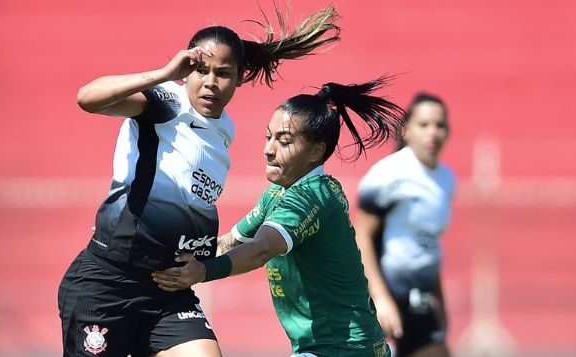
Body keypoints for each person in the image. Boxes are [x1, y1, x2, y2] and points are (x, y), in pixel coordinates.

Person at [59, 6, 341, 357]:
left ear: (240, 78)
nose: (210, 82)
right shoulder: (164, 102)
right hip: (108, 282)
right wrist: (163, 74)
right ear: (186, 72)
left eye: (223, 73)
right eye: (200, 70)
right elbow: (87, 98)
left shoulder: (226, 130)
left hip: (167, 289)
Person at [152, 77, 405, 357]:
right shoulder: (278, 194)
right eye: (268, 136)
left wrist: (202, 272)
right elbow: (231, 243)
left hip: (342, 349)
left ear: (316, 152)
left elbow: (260, 250)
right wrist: (163, 253)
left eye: (283, 141)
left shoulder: (311, 198)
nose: (268, 149)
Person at [353, 93, 454, 357]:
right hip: (386, 298)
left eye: (440, 125)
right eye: (424, 124)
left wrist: (440, 305)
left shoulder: (446, 180)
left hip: (420, 299)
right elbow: (361, 236)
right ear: (406, 130)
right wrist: (380, 298)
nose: (432, 132)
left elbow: (430, 243)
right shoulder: (389, 174)